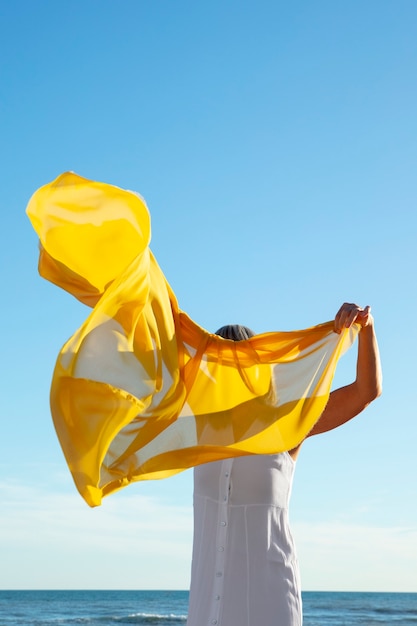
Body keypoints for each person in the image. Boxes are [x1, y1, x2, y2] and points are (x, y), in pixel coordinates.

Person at [186, 303, 382, 626]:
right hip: (208, 607)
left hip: (270, 603)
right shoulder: (195, 429)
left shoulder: (285, 426)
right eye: (222, 364)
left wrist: (367, 327)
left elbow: (365, 391)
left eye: (241, 362)